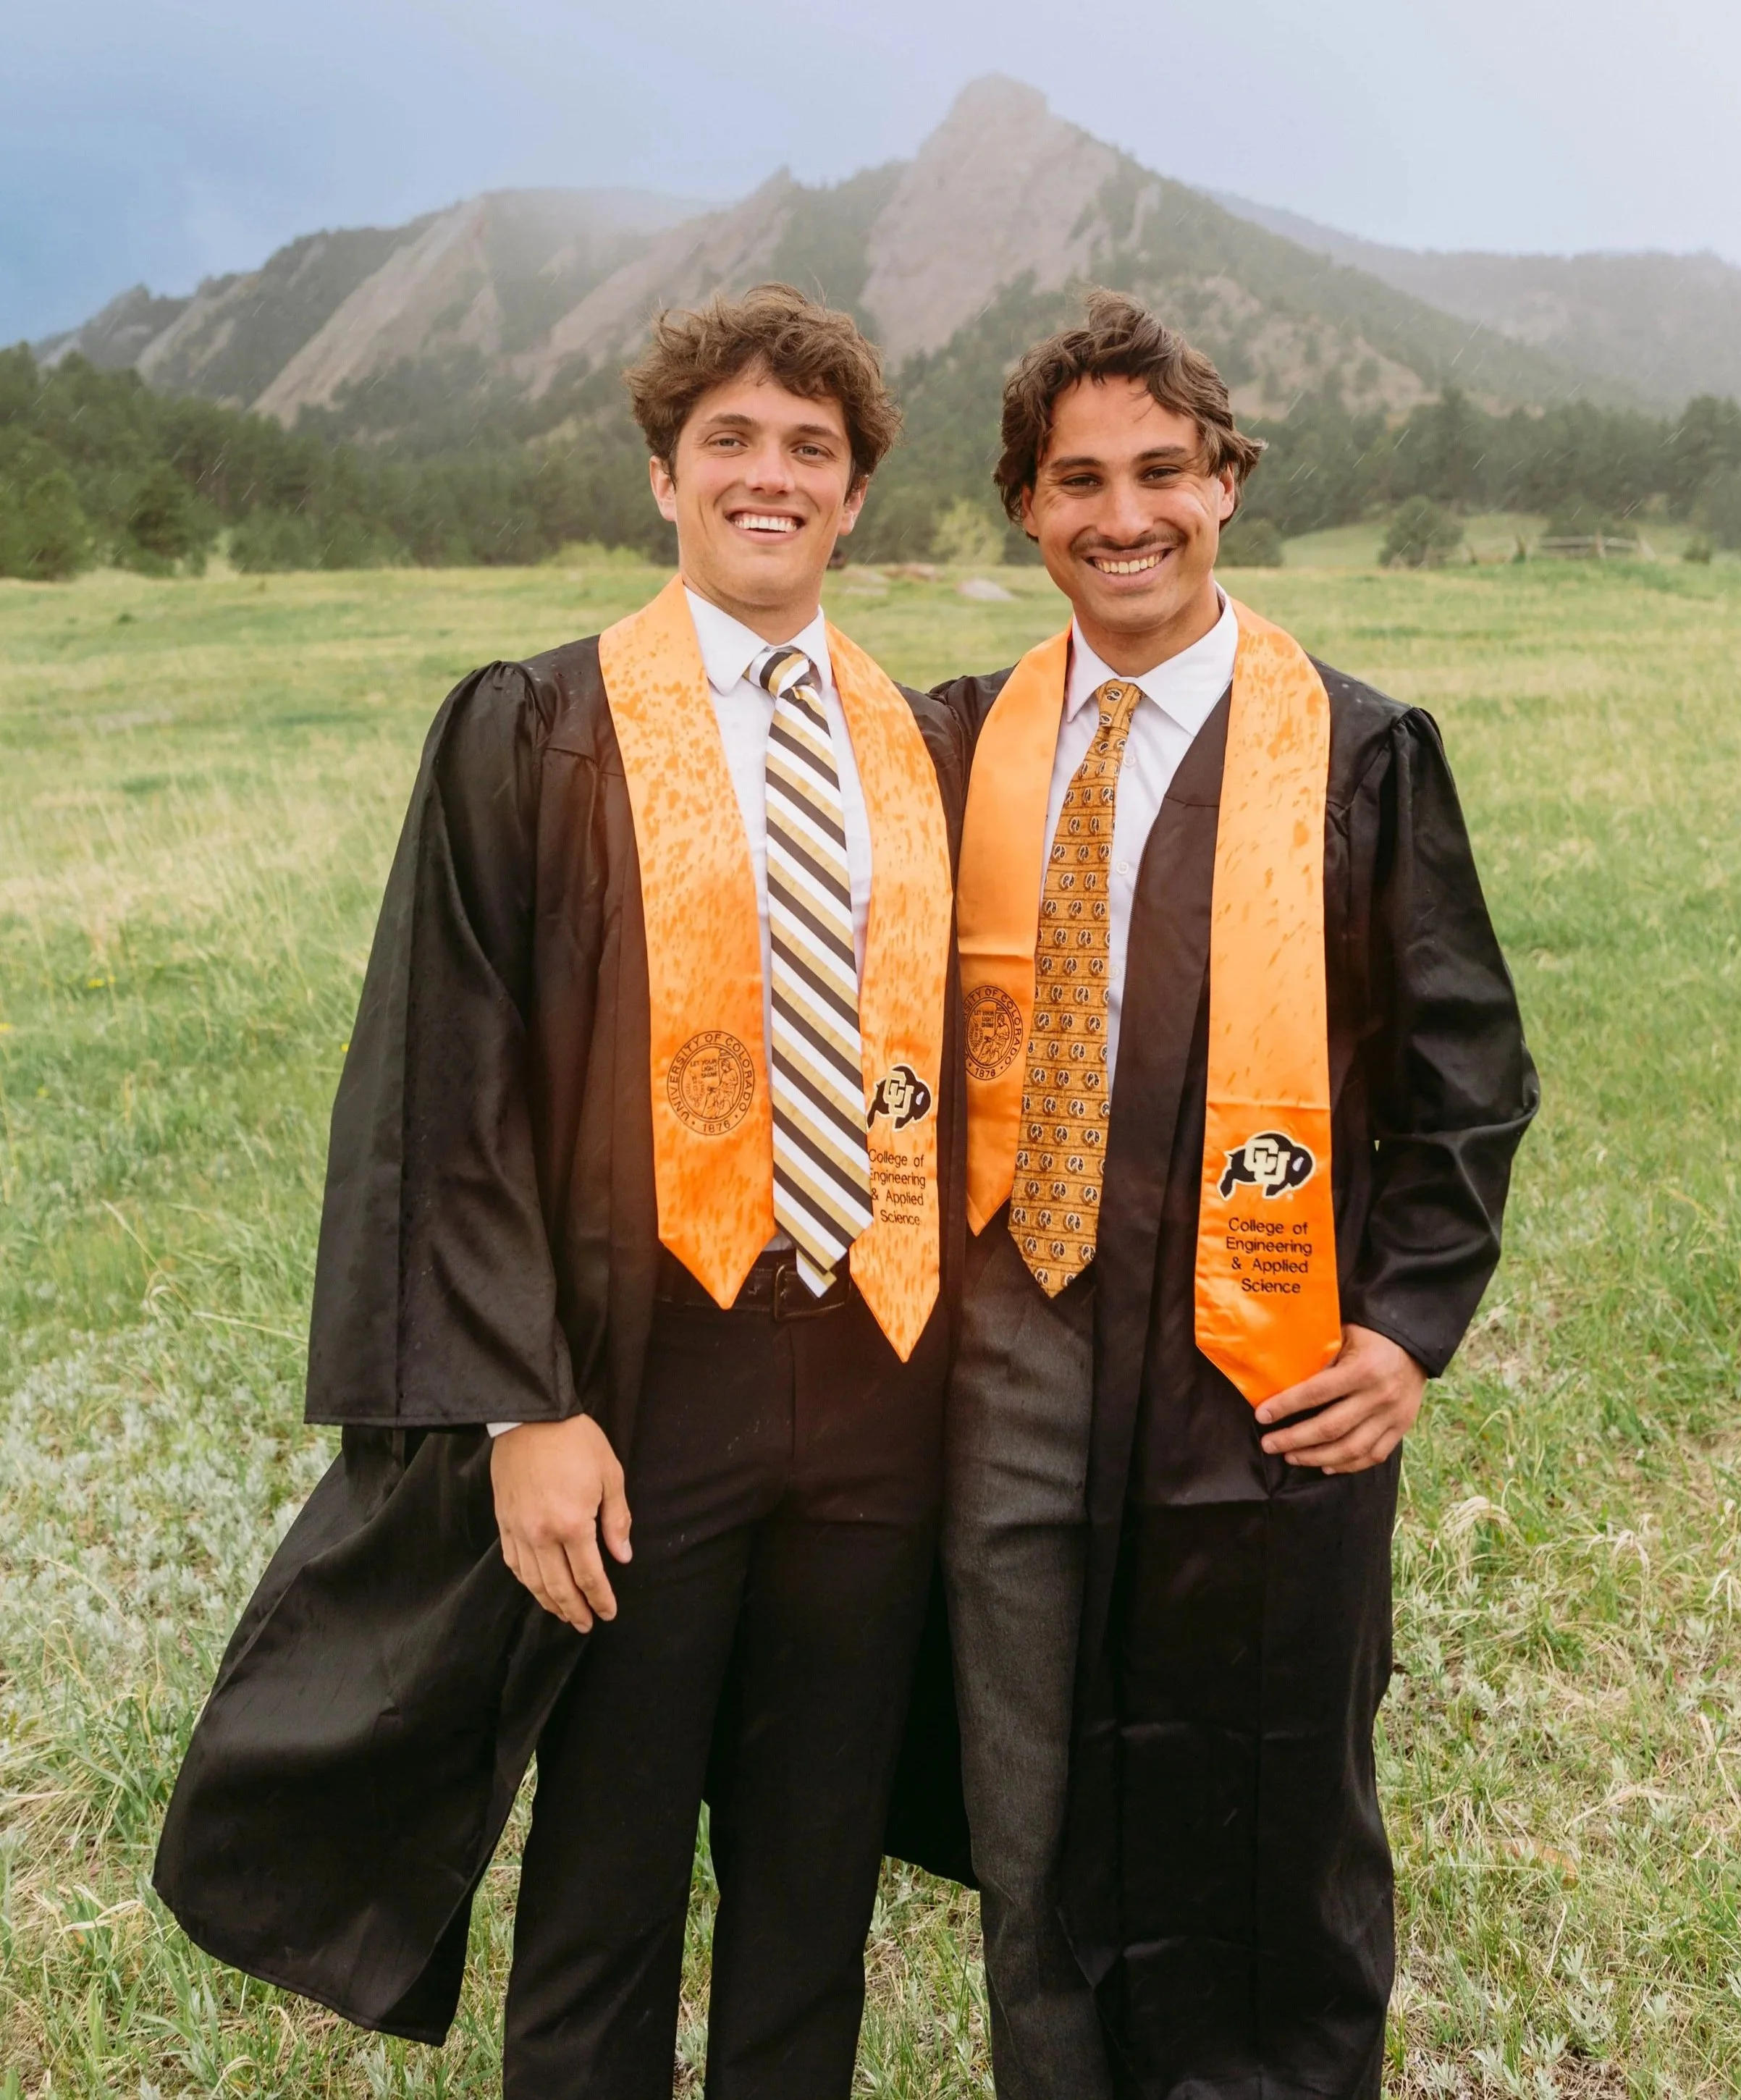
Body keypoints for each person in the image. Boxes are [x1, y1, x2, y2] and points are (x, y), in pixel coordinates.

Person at [154, 283, 971, 2099]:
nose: (771, 477)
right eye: (732, 443)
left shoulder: (922, 744)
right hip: (635, 1385)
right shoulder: (536, 729)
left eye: (811, 451)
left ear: (853, 502)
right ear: (663, 481)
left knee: (811, 1883)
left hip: (877, 1384)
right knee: (600, 1885)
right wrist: (523, 1400)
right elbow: (449, 1083)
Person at [935, 292, 1538, 2099]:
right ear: (1027, 512)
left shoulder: (1354, 750)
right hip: (1006, 1359)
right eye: (1077, 481)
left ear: (1227, 484)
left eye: (1161, 471)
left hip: (1255, 1363)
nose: (1123, 515)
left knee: (1264, 1790)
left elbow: (1466, 1076)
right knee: (1027, 1810)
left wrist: (1408, 1328)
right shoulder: (962, 738)